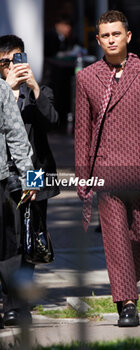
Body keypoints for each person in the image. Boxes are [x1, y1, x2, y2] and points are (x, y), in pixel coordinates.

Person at [75, 10, 140, 327]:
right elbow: (82, 131)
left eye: (116, 34)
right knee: (116, 239)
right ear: (99, 40)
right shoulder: (86, 77)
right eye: (105, 35)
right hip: (106, 170)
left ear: (128, 36)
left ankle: (128, 280)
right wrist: (82, 174)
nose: (112, 39)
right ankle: (127, 304)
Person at [0, 35, 60, 326]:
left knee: (27, 239)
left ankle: (18, 304)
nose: (14, 65)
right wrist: (8, 91)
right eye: (6, 62)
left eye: (18, 59)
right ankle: (10, 298)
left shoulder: (39, 92)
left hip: (32, 171)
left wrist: (34, 88)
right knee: (7, 241)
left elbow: (52, 121)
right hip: (3, 176)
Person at [0, 78, 36, 328]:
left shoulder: (1, 88)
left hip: (1, 178)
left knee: (8, 245)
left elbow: (17, 134)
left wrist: (30, 178)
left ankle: (13, 306)